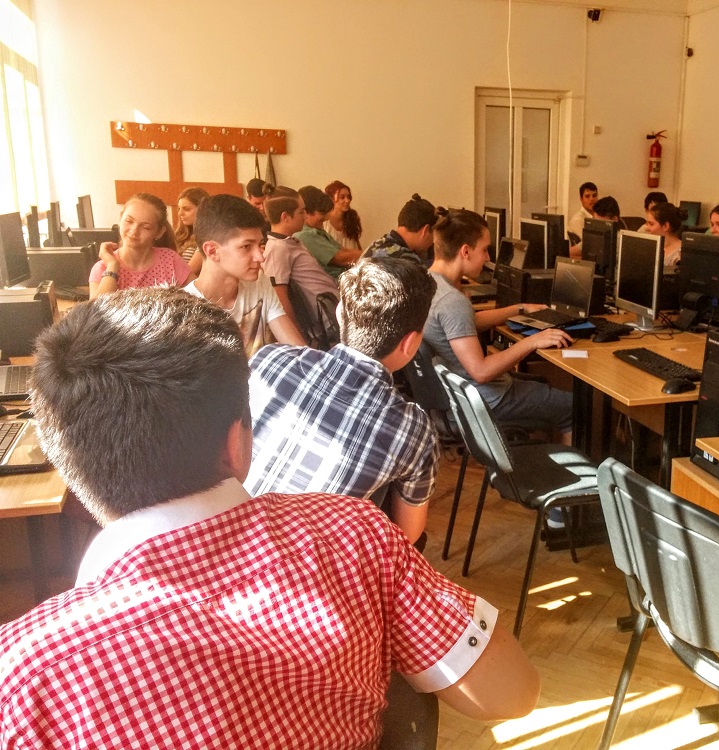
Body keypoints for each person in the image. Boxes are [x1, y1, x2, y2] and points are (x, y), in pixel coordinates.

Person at [0, 287, 539, 747]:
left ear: (69, 468)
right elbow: (512, 694)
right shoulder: (353, 531)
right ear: (237, 442)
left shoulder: (23, 676)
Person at [245, 257, 438, 545]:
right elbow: (406, 536)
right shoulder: (411, 429)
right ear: (410, 343)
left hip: (224, 545)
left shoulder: (269, 360)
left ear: (339, 314)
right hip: (310, 569)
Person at [423, 209, 573, 441]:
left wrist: (519, 309)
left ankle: (535, 455)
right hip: (481, 401)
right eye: (484, 250)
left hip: (454, 398)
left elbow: (466, 324)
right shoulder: (451, 301)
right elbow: (481, 372)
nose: (487, 258)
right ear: (465, 251)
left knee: (541, 384)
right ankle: (564, 464)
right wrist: (533, 341)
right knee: (571, 406)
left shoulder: (428, 282)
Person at [184, 193, 305, 355]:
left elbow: (299, 351)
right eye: (246, 246)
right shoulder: (186, 312)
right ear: (212, 251)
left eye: (260, 245)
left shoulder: (259, 283)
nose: (260, 257)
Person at [262, 185, 339, 341]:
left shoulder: (290, 242)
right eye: (301, 212)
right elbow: (280, 299)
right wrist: (298, 338)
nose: (305, 216)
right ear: (285, 217)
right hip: (327, 323)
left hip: (334, 312)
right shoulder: (277, 249)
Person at [88, 192, 191, 299]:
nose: (134, 231)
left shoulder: (170, 260)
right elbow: (96, 308)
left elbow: (199, 295)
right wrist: (112, 266)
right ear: (121, 217)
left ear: (159, 232)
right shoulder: (103, 267)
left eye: (146, 227)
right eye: (129, 221)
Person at [296, 185, 358, 280]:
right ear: (306, 212)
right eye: (322, 213)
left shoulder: (317, 229)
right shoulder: (305, 234)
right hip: (335, 284)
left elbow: (342, 250)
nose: (326, 218)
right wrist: (373, 253)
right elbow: (340, 258)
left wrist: (372, 250)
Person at [365, 193, 439, 264]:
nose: (433, 241)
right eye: (434, 235)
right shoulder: (407, 259)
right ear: (425, 230)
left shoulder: (375, 245)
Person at [175, 186, 210, 274]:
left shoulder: (207, 236)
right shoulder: (179, 235)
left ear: (202, 209)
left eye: (186, 209)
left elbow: (189, 272)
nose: (180, 213)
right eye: (179, 208)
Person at [323, 180, 364, 254]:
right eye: (342, 197)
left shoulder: (351, 218)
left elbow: (357, 246)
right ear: (332, 199)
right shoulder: (324, 222)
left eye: (348, 197)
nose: (347, 200)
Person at [644, 201, 686, 266]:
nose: (647, 228)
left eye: (651, 224)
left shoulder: (680, 255)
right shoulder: (650, 247)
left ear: (666, 226)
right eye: (647, 223)